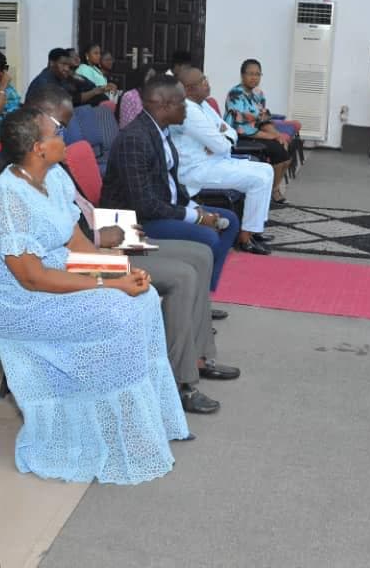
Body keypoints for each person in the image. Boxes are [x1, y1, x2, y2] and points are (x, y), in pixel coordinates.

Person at [0, 107, 190, 483]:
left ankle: (134, 424)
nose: (64, 137)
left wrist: (120, 270)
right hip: (9, 298)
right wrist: (110, 285)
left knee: (144, 296)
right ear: (38, 148)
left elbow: (77, 244)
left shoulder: (53, 177)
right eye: (57, 133)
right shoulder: (8, 199)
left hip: (50, 272)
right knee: (119, 311)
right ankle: (100, 429)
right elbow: (32, 279)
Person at [27, 83, 240, 414]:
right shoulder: (26, 182)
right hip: (88, 253)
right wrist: (104, 243)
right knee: (184, 273)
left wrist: (105, 236)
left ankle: (197, 356)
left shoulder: (53, 169)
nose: (66, 138)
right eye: (60, 128)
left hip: (104, 234)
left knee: (199, 255)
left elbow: (78, 221)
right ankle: (179, 382)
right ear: (37, 129)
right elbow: (57, 244)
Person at [102, 75, 239, 291]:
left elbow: (172, 186)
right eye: (183, 102)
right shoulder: (135, 138)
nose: (187, 107)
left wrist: (196, 208)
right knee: (208, 237)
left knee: (230, 220)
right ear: (165, 105)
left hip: (160, 209)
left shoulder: (161, 131)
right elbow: (144, 205)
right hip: (133, 222)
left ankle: (202, 297)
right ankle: (195, 299)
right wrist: (198, 217)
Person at [173, 67, 275, 254]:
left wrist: (220, 138)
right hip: (197, 171)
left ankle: (254, 229)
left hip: (215, 161)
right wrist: (219, 140)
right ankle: (245, 238)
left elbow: (229, 131)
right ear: (188, 89)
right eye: (202, 81)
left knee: (266, 169)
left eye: (206, 78)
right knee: (258, 179)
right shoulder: (188, 110)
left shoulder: (203, 105)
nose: (208, 84)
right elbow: (222, 145)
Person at [225, 59, 292, 203]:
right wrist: (271, 137)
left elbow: (264, 119)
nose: (254, 77)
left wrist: (278, 135)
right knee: (279, 154)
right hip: (240, 136)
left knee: (286, 155)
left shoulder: (258, 93)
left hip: (255, 133)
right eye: (250, 74)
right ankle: (272, 191)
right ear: (242, 75)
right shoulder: (235, 94)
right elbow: (243, 128)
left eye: (257, 74)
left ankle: (272, 189)